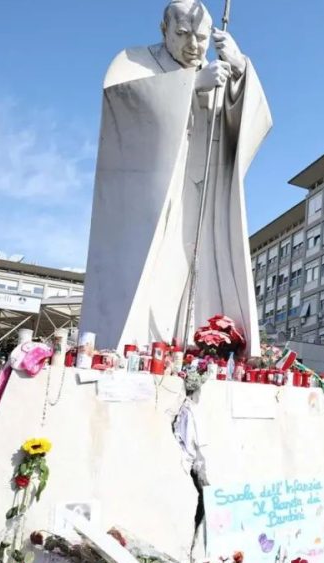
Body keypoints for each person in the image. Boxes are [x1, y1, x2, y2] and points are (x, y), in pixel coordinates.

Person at [80, 0, 271, 353]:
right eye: (183, 34)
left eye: (200, 36)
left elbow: (248, 127)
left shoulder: (218, 70)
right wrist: (191, 84)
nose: (194, 45)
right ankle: (139, 346)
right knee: (156, 275)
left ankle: (203, 347)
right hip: (156, 198)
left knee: (202, 275)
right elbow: (124, 107)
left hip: (206, 195)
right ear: (163, 29)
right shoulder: (134, 63)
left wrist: (240, 70)